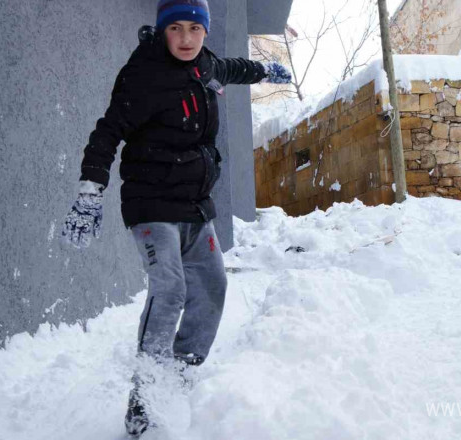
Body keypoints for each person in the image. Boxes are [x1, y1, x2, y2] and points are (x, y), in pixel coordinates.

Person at [61, 0, 292, 435]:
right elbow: (107, 132)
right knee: (169, 289)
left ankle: (179, 377)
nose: (185, 39)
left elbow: (233, 68)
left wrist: (266, 71)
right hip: (151, 205)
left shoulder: (204, 65)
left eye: (194, 28)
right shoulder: (143, 75)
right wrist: (89, 192)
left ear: (204, 31)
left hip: (194, 206)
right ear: (163, 31)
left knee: (212, 288)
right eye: (176, 29)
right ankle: (145, 397)